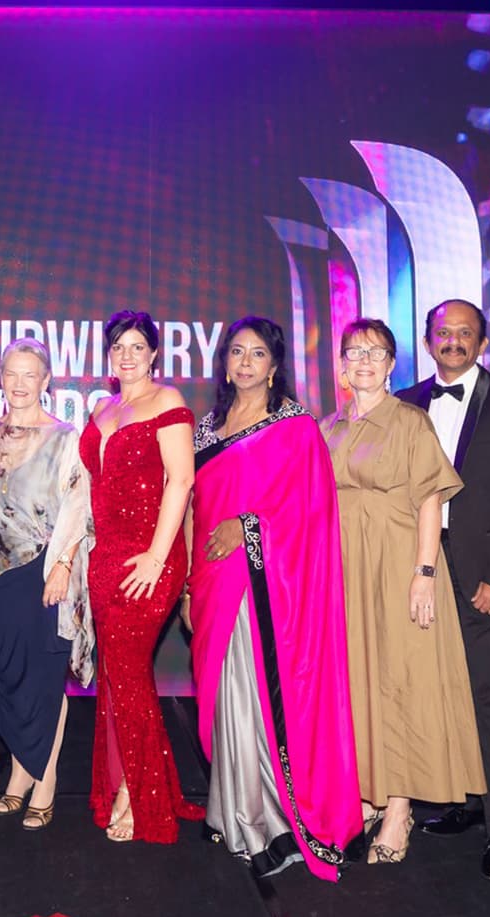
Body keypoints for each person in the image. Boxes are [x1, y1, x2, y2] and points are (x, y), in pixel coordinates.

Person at [189, 316, 358, 878]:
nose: (245, 362)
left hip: (264, 584)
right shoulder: (207, 428)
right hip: (210, 579)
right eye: (236, 352)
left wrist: (247, 527)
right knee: (222, 696)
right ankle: (233, 812)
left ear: (274, 365)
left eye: (257, 353)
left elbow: (312, 510)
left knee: (252, 691)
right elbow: (194, 507)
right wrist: (189, 582)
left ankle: (268, 822)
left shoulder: (295, 426)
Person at [396, 299, 490, 881]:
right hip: (417, 571)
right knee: (434, 693)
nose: (453, 341)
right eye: (444, 332)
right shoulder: (404, 403)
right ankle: (461, 798)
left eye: (465, 333)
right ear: (427, 341)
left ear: (483, 343)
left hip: (485, 575)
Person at [325, 317, 484, 868]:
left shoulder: (411, 421)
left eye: (376, 352)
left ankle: (398, 808)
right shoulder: (328, 427)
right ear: (341, 366)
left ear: (392, 365)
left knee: (401, 682)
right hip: (345, 570)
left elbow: (430, 501)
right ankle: (366, 797)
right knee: (358, 682)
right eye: (354, 352)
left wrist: (424, 571)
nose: (364, 361)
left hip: (398, 565)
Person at [78, 310, 205, 843]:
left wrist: (156, 555)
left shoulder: (166, 400)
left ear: (154, 353)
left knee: (128, 676)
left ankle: (138, 793)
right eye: (118, 347)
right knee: (117, 677)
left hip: (150, 556)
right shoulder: (104, 408)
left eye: (137, 346)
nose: (127, 355)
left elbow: (182, 480)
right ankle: (134, 782)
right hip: (105, 558)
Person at [0, 338, 93, 832]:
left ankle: (43, 781)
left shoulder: (66, 437)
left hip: (43, 573)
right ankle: (19, 775)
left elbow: (79, 507)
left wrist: (63, 565)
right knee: (9, 679)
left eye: (30, 374)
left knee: (43, 680)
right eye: (11, 373)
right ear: (1, 378)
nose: (19, 383)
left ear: (46, 380)